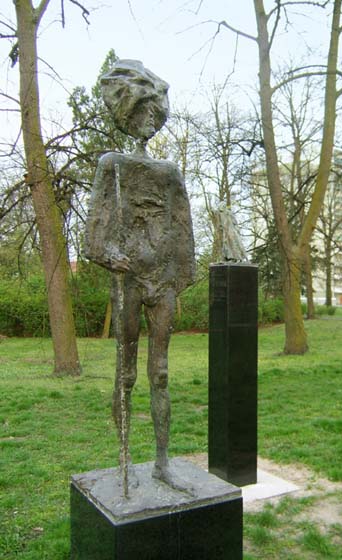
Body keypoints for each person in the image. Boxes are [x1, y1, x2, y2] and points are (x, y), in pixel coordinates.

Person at [84, 60, 195, 493]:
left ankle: (163, 462)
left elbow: (183, 227)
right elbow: (95, 231)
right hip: (128, 278)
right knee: (126, 373)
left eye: (154, 111)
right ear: (128, 114)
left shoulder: (169, 173)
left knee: (161, 373)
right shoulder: (112, 165)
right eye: (142, 110)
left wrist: (178, 277)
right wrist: (109, 254)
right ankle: (125, 460)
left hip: (161, 279)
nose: (149, 119)